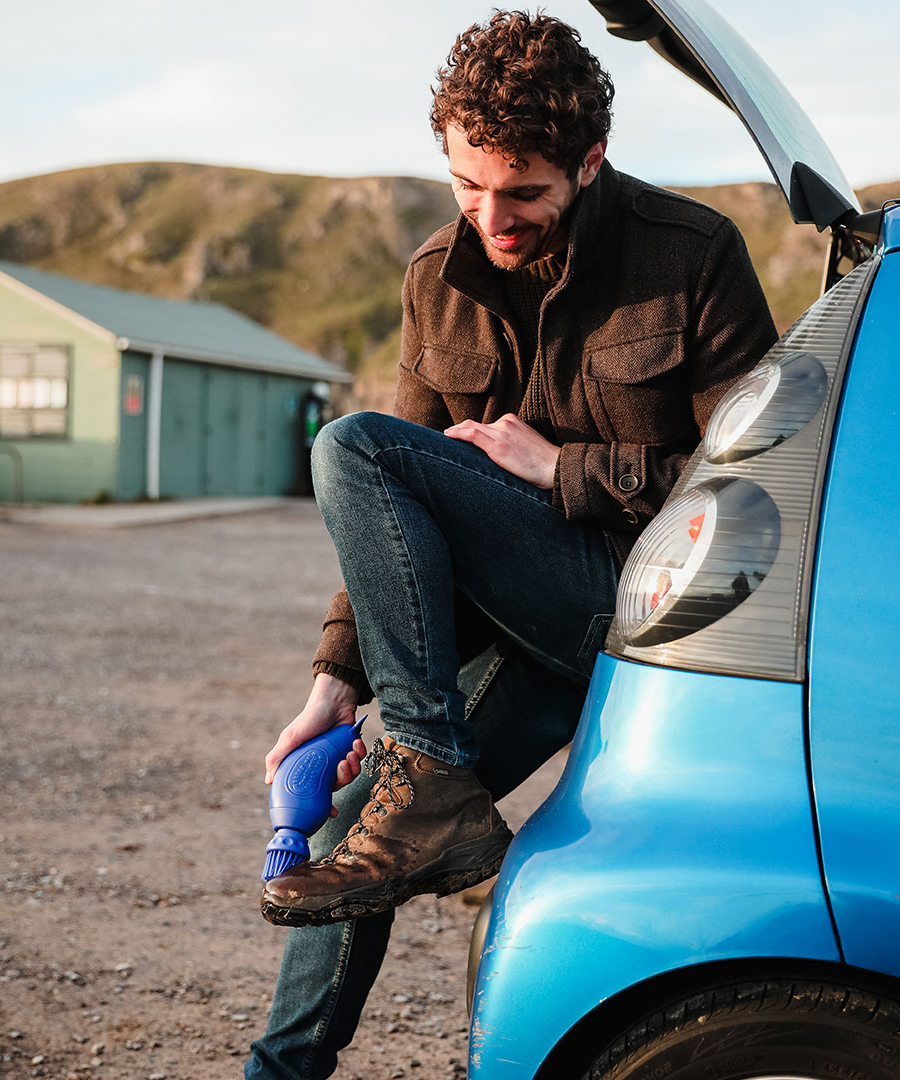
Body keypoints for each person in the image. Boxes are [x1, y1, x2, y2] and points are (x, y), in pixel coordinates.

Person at [246, 10, 777, 1078]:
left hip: (636, 614)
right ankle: (280, 1070)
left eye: (524, 190)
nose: (494, 215)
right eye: (467, 186)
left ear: (590, 160)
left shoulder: (693, 254)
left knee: (351, 445)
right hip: (521, 626)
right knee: (363, 831)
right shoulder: (435, 276)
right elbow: (395, 517)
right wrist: (334, 678)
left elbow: (762, 493)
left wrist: (562, 469)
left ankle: (426, 762)